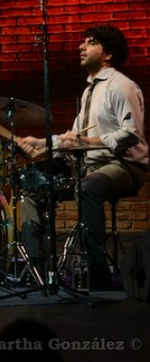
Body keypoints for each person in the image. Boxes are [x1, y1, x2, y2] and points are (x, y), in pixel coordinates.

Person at [16, 24, 147, 290]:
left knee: (87, 189)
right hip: (89, 167)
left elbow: (131, 133)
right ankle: (40, 270)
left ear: (107, 53)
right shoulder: (89, 91)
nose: (81, 47)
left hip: (124, 166)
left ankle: (96, 271)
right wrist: (39, 142)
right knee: (32, 191)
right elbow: (73, 137)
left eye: (89, 42)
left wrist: (90, 141)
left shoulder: (121, 86)